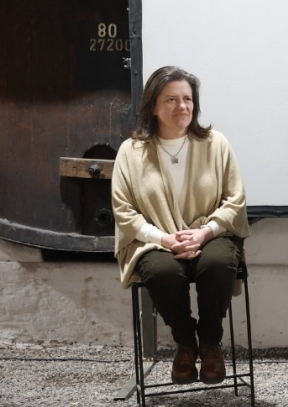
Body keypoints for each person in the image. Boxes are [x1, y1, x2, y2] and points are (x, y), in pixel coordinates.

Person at [113, 66, 250, 385]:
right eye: (172, 99)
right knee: (162, 271)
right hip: (156, 239)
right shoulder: (131, 153)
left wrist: (205, 232)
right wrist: (165, 239)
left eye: (187, 98)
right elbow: (124, 210)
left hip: (212, 233)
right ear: (153, 106)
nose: (183, 106)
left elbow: (235, 200)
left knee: (217, 264)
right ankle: (186, 343)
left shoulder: (216, 144)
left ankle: (211, 342)